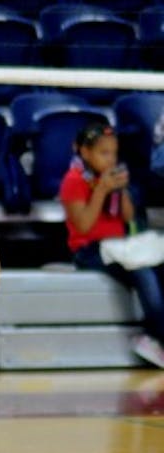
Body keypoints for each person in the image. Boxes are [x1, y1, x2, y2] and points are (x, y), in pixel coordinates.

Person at [59, 119, 164, 368]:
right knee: (143, 272)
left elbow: (127, 218)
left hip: (118, 246)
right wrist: (101, 191)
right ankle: (156, 338)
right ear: (85, 152)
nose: (110, 159)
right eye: (104, 153)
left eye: (114, 153)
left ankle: (154, 334)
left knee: (159, 266)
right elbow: (83, 225)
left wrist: (121, 191)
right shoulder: (73, 181)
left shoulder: (111, 178)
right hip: (90, 251)